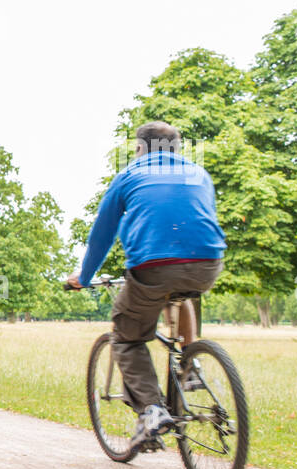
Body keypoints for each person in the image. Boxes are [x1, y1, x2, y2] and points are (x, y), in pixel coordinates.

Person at [67, 121, 226, 449]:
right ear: (177, 149)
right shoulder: (199, 173)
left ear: (140, 148)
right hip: (208, 263)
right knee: (184, 294)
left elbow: (102, 235)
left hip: (154, 266)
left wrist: (83, 278)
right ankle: (190, 363)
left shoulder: (129, 175)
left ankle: (152, 411)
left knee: (125, 336)